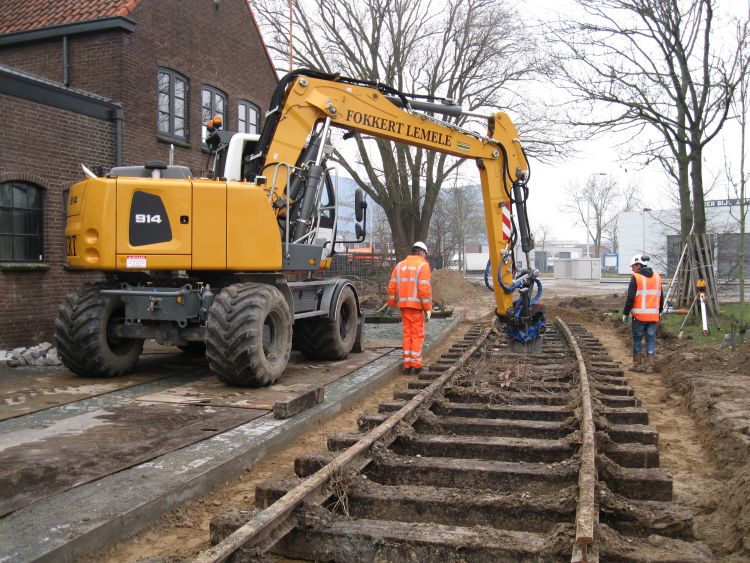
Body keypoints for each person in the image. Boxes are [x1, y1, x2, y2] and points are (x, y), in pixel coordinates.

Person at [386, 241, 433, 375]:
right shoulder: (423, 266)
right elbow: (424, 290)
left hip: (403, 307)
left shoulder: (399, 266)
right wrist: (427, 309)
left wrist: (390, 305)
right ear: (422, 253)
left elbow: (392, 288)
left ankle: (407, 365)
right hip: (417, 307)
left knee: (407, 334)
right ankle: (416, 365)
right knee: (417, 335)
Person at [622, 254, 663, 373]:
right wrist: (658, 312)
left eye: (633, 265)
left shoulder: (636, 277)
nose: (632, 268)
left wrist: (625, 313)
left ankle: (637, 365)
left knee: (637, 339)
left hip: (640, 316)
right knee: (650, 339)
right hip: (653, 316)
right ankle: (650, 366)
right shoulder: (657, 277)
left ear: (639, 265)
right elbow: (661, 297)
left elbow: (630, 298)